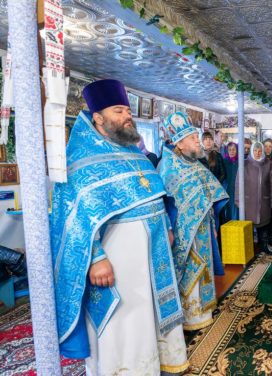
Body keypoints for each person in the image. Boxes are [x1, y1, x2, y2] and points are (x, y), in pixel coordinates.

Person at [51, 79, 188, 375]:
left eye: (127, 110)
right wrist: (96, 258)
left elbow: (156, 194)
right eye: (118, 110)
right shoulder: (80, 161)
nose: (127, 115)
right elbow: (74, 217)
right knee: (125, 322)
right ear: (98, 118)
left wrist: (166, 224)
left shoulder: (136, 155)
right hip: (117, 258)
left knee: (148, 314)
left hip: (152, 255)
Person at [158, 112, 229, 331]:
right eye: (192, 138)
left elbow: (209, 197)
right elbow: (166, 205)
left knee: (204, 267)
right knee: (190, 270)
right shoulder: (167, 167)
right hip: (183, 233)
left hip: (204, 230)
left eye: (196, 137)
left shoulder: (196, 164)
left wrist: (212, 225)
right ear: (179, 143)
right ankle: (190, 315)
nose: (198, 141)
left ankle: (204, 310)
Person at [236, 141, 272, 254]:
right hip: (248, 201)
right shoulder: (244, 164)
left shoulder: (268, 164)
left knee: (264, 225)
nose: (257, 153)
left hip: (264, 200)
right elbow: (238, 183)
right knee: (249, 225)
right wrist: (238, 199)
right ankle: (249, 248)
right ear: (251, 151)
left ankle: (264, 245)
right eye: (255, 150)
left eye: (260, 151)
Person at [222, 142, 239, 222]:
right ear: (227, 151)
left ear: (237, 150)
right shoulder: (224, 162)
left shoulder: (240, 162)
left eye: (233, 149)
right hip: (227, 190)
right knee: (228, 211)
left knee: (237, 210)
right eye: (230, 150)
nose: (232, 151)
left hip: (237, 191)